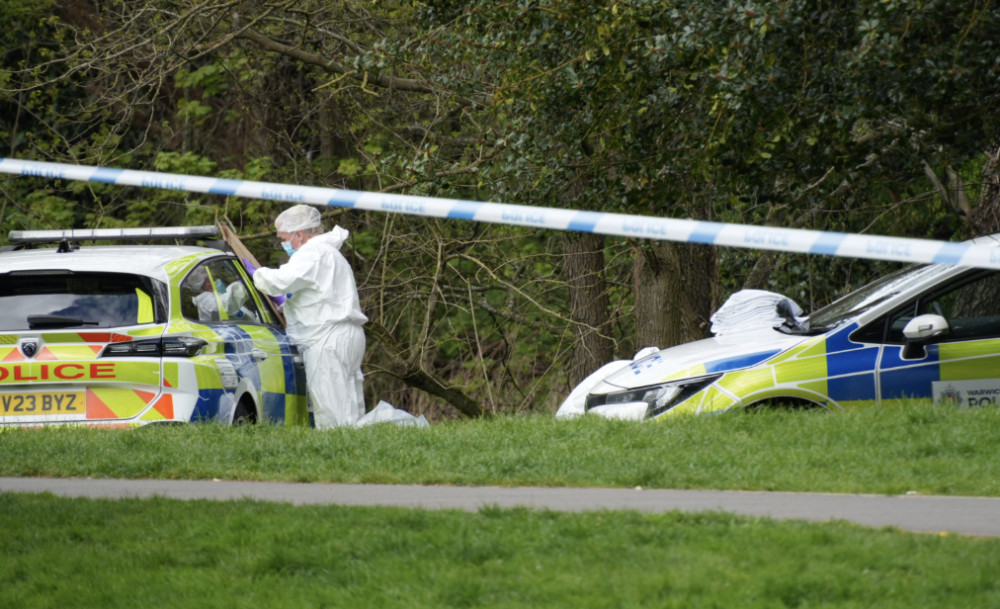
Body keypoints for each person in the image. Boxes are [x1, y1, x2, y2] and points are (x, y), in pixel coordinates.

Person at [244, 205, 368, 428]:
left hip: (328, 338)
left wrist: (256, 273)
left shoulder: (313, 253)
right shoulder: (329, 253)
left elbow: (279, 281)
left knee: (332, 408)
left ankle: (338, 455)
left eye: (284, 238)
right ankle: (358, 450)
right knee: (349, 403)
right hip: (346, 334)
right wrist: (286, 304)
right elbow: (315, 294)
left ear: (298, 234)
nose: (283, 244)